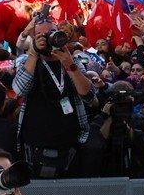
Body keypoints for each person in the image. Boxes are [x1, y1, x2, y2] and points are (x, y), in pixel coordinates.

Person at [13, 27, 90, 179]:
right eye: (42, 35)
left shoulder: (72, 62)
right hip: (35, 144)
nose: (48, 39)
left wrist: (70, 65)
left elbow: (88, 94)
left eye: (53, 33)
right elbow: (19, 89)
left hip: (69, 144)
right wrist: (34, 53)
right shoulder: (28, 61)